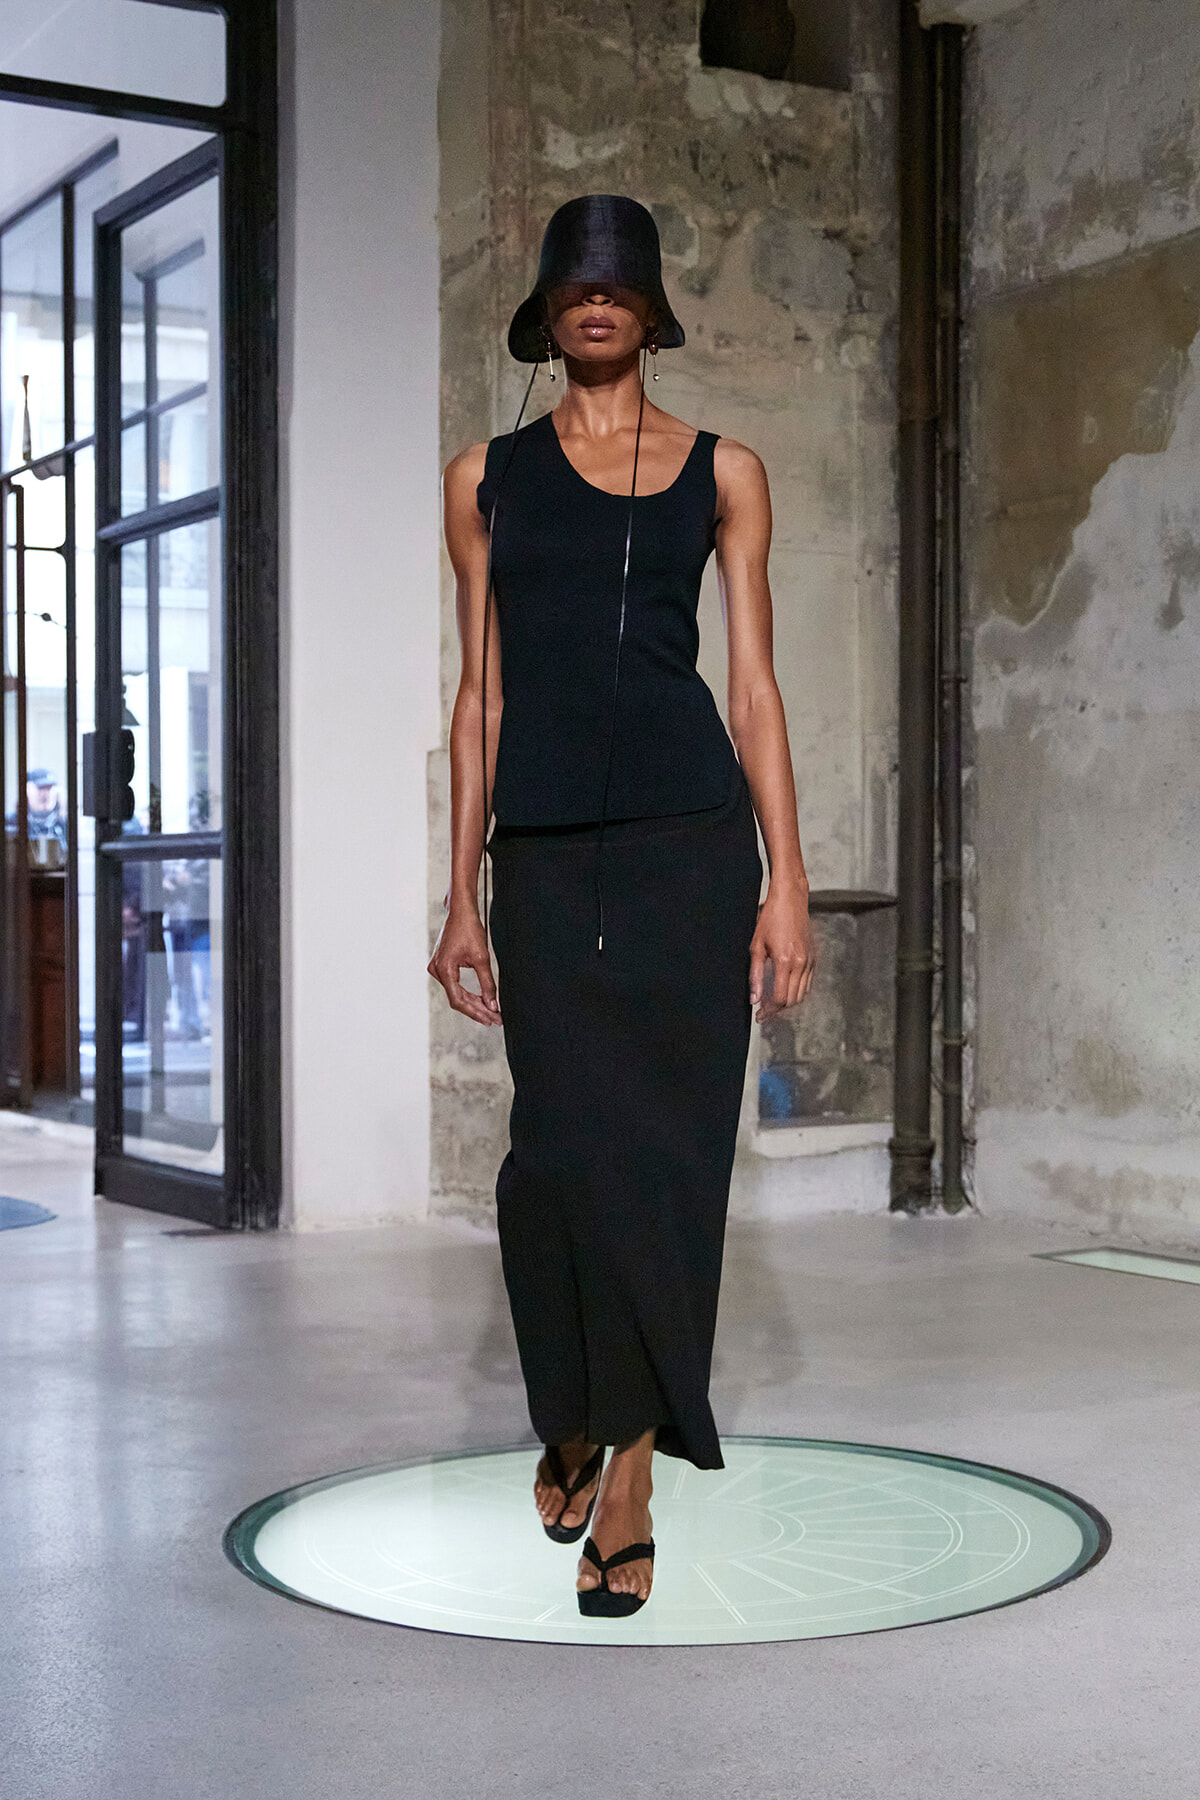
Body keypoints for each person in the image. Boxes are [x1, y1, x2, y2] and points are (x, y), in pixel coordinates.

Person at [430, 194, 815, 1618]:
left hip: (688, 849)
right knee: (554, 1160)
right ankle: (574, 1407)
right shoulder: (485, 479)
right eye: (574, 286)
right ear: (549, 310)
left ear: (650, 309)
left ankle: (633, 1476)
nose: (597, 304)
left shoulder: (728, 473)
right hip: (541, 856)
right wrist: (458, 888)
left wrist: (786, 884)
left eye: (621, 285)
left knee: (662, 1167)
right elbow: (482, 696)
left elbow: (757, 688)